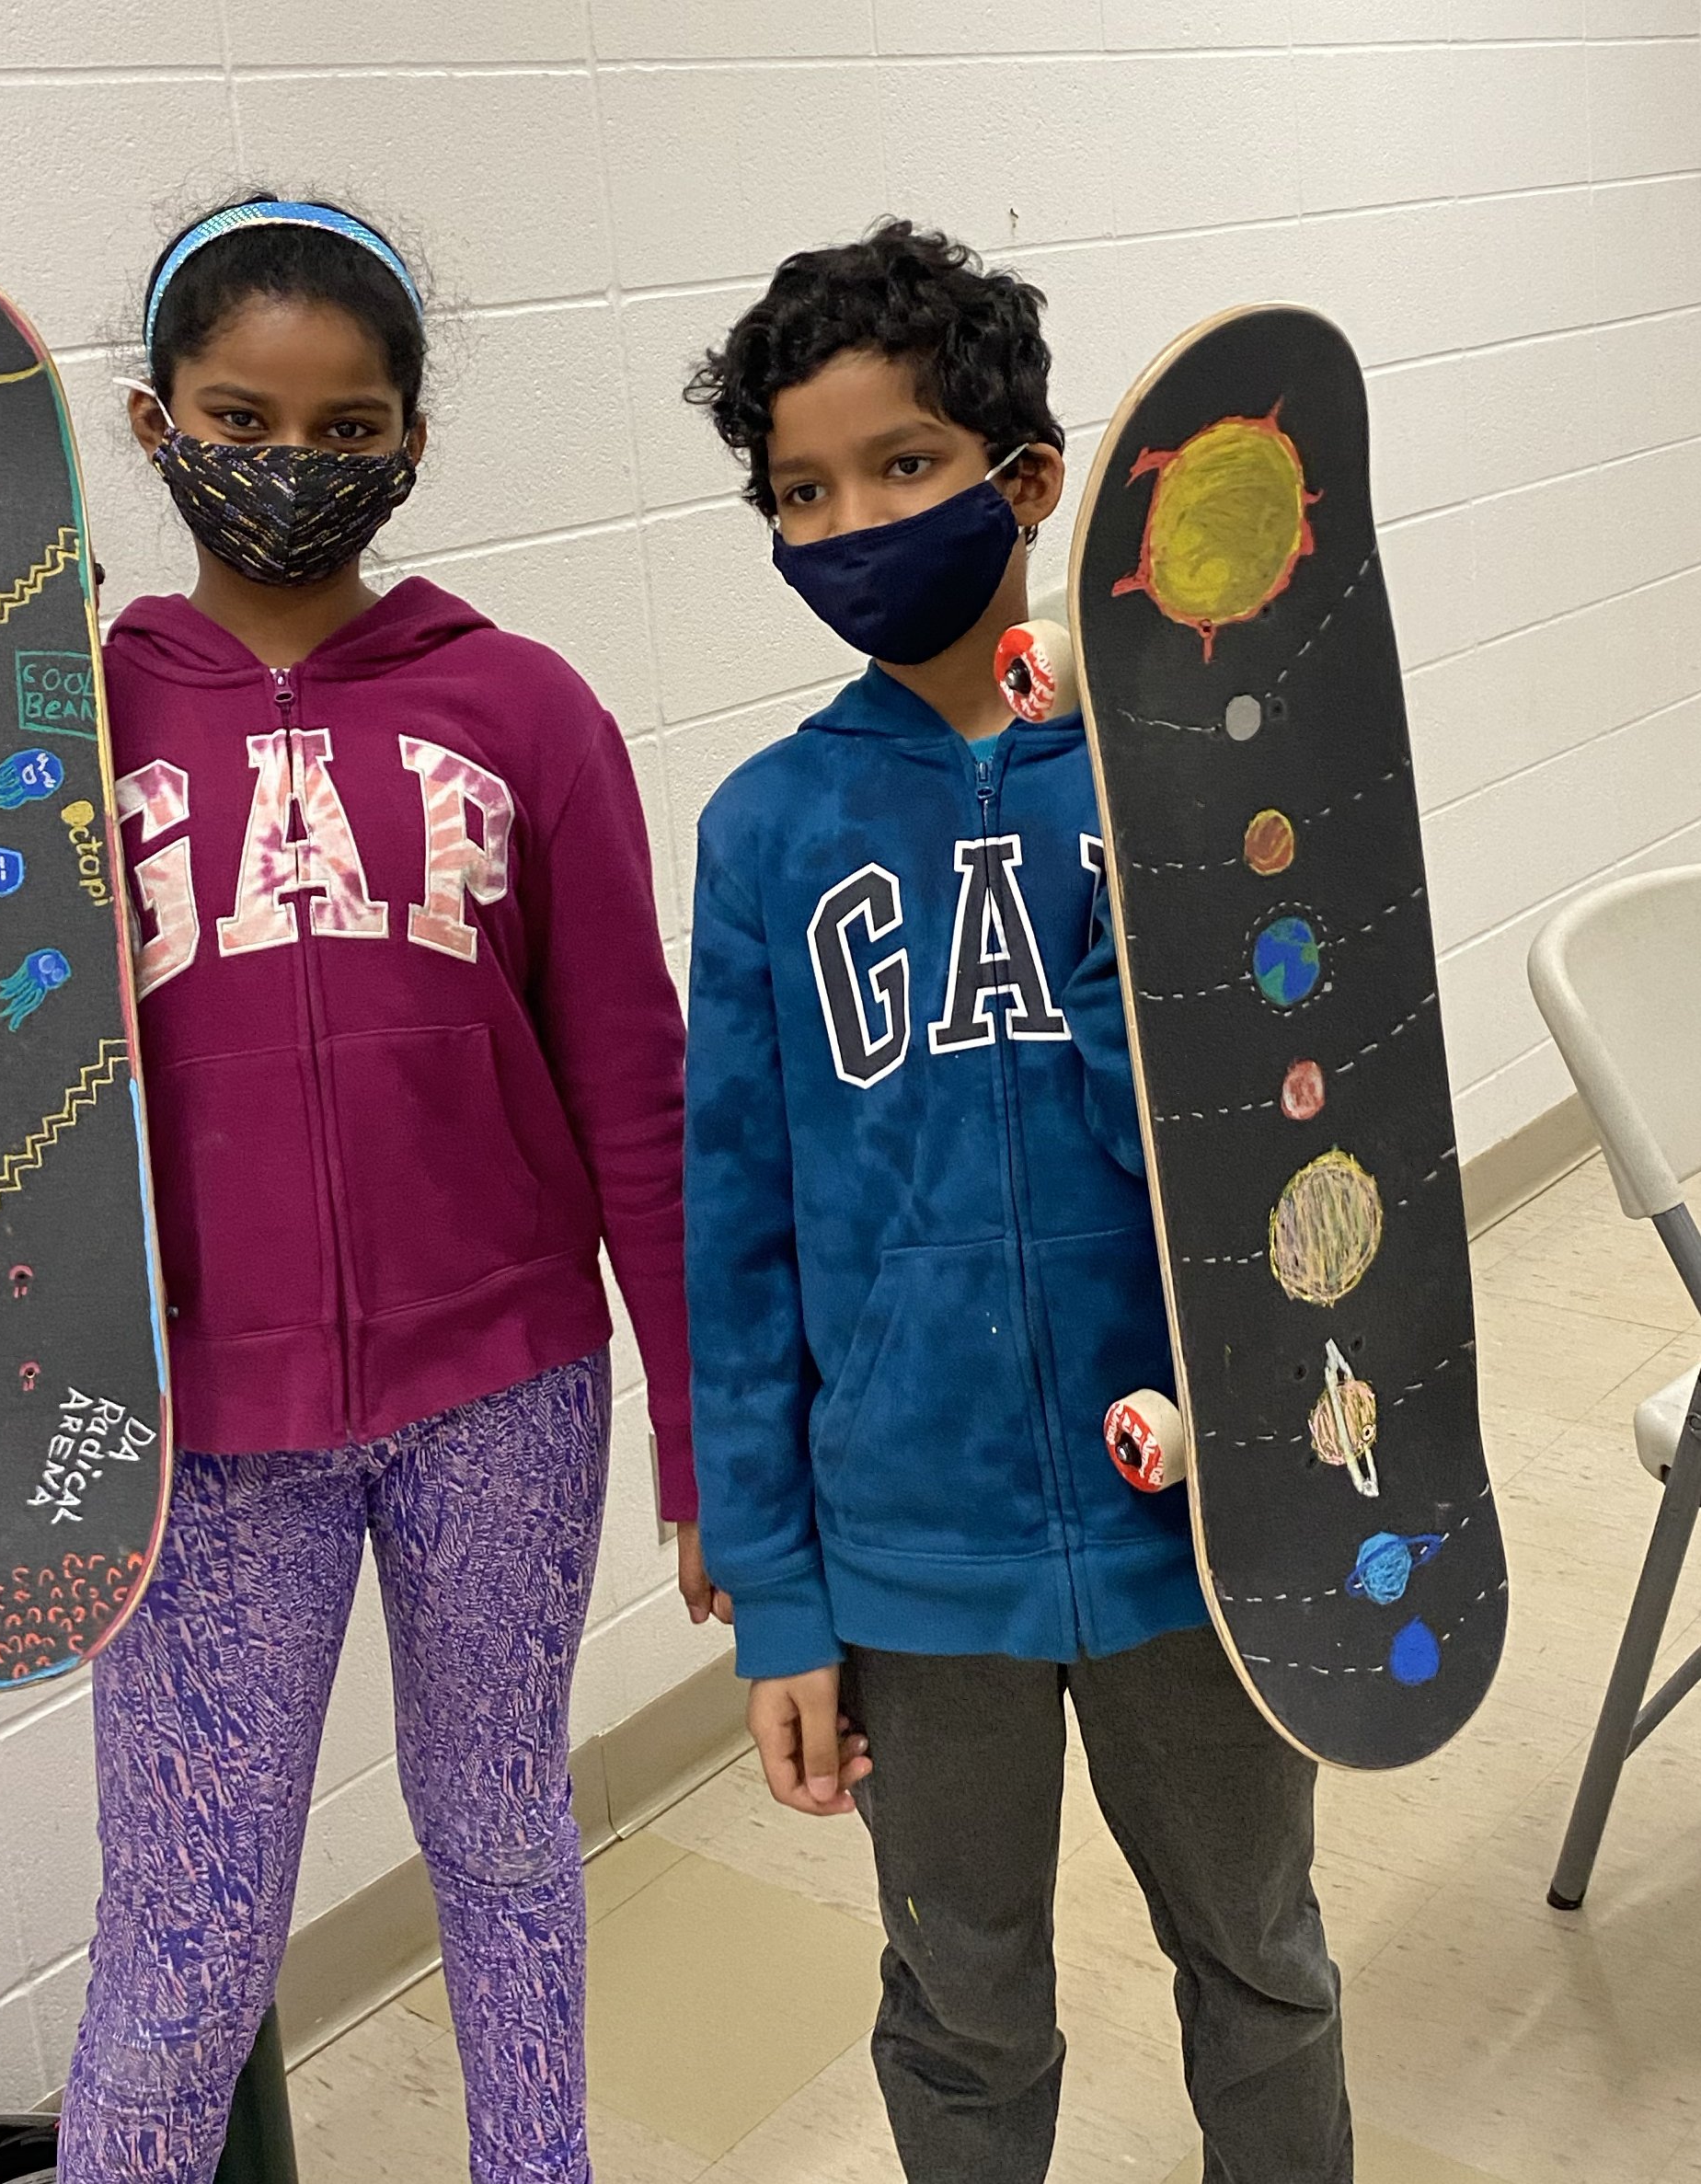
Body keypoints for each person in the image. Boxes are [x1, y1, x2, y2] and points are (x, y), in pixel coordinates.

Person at [681, 221, 1352, 2184]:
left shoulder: (1176, 779)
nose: (850, 520)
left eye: (902, 467)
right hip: (913, 1555)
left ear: (1030, 482)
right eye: (799, 491)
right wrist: (778, 1598)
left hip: (1193, 1523)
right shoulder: (763, 832)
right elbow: (735, 1231)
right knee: (961, 2005)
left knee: (1257, 1954)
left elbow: (1304, 1131)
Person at [61, 194, 710, 2184]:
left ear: (412, 442)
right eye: (237, 412)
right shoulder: (56, 736)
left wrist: (703, 1438)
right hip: (197, 1433)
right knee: (181, 1950)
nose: (290, 461)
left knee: (508, 1845)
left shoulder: (517, 707)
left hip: (501, 1396)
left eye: (346, 429)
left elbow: (635, 1091)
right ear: (151, 421)